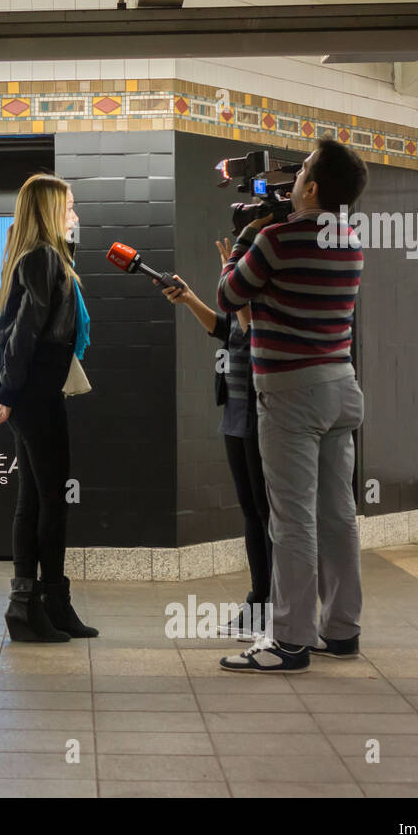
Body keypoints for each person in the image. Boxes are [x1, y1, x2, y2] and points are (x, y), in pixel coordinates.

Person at [215, 140, 368, 673]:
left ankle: (290, 642)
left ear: (314, 187)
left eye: (301, 169)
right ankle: (341, 630)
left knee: (292, 518)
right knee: (338, 513)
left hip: (289, 393)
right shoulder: (350, 241)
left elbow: (228, 296)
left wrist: (241, 242)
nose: (294, 176)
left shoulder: (275, 240)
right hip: (341, 387)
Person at [0, 173, 96, 642]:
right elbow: (24, 335)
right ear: (50, 210)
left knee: (35, 499)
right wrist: (7, 394)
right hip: (35, 394)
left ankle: (36, 606)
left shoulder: (44, 257)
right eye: (69, 206)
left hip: (34, 392)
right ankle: (42, 604)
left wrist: (7, 391)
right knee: (49, 502)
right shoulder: (44, 258)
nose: (76, 215)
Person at [154, 235, 272, 640]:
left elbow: (251, 328)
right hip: (236, 416)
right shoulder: (241, 300)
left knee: (266, 515)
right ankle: (259, 603)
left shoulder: (265, 295)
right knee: (252, 516)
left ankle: (273, 605)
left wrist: (229, 280)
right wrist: (189, 299)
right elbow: (227, 329)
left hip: (262, 418)